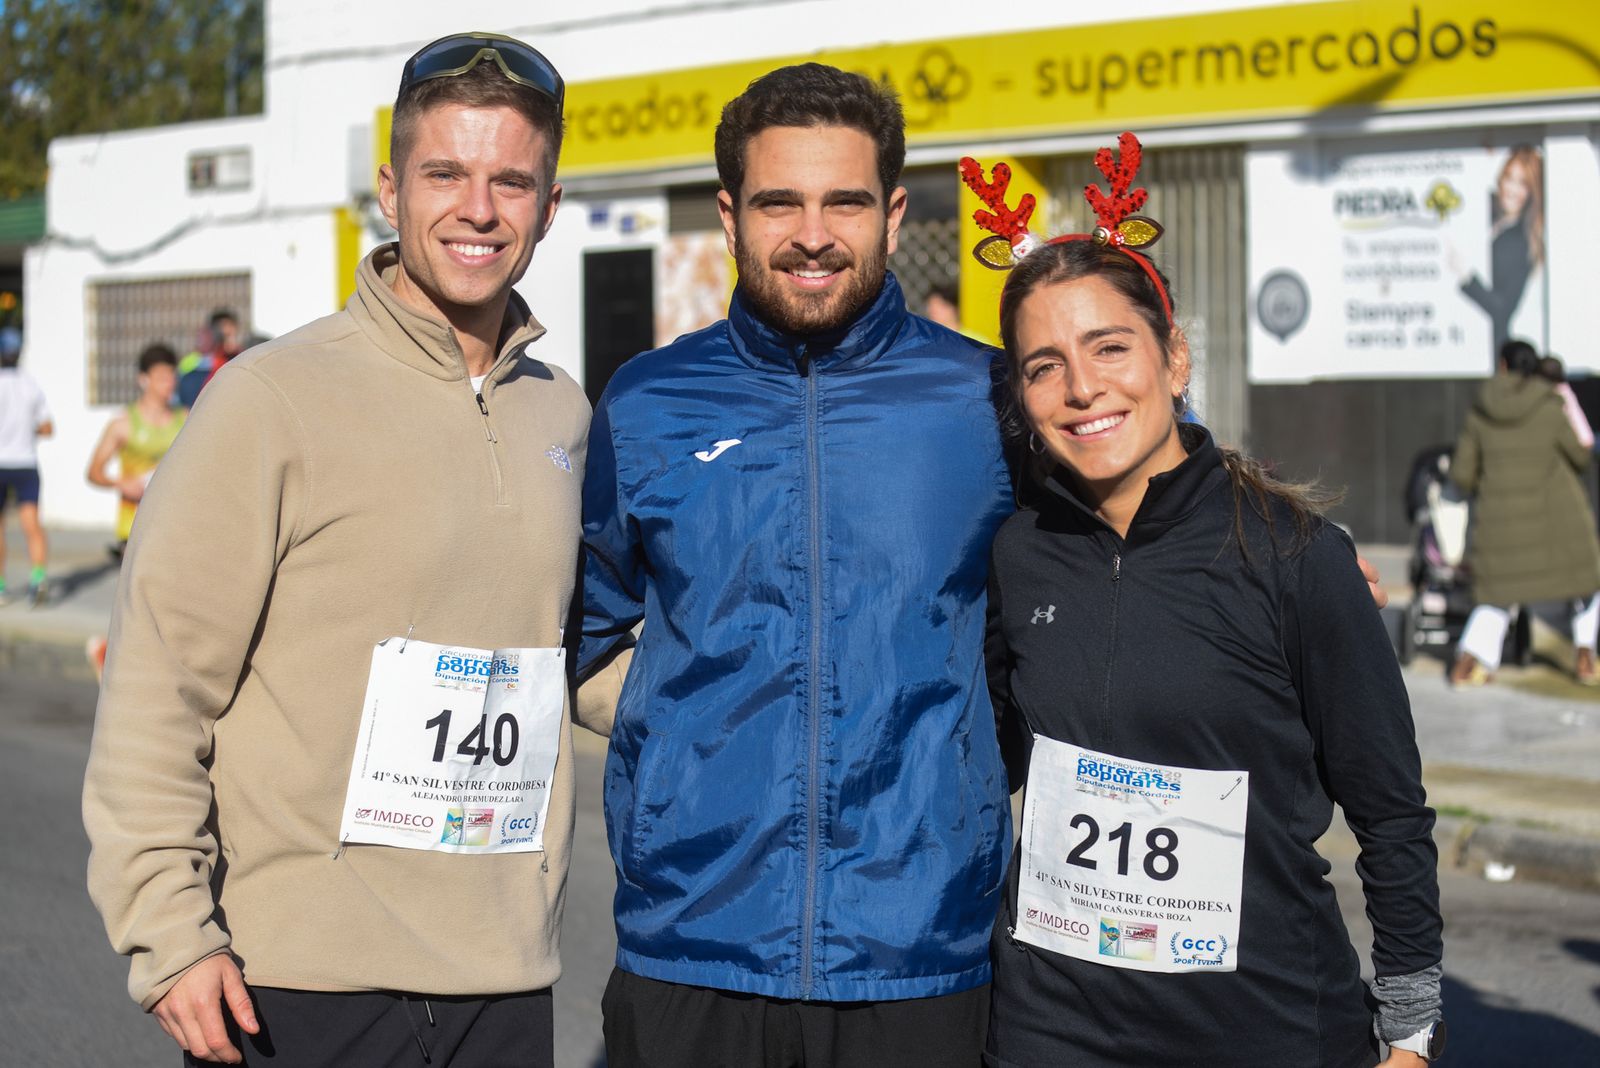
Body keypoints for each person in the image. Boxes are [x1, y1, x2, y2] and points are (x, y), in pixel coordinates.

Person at [83, 32, 587, 1066]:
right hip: (298, 987)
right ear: (391, 189)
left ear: (550, 203)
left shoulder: (565, 417)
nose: (478, 209)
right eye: (445, 174)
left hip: (505, 979)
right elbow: (159, 681)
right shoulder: (270, 400)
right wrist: (170, 937)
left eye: (511, 181)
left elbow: (573, 656)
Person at [576, 63, 1015, 1067]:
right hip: (690, 946)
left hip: (920, 954)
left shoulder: (982, 399)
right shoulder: (646, 402)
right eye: (779, 202)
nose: (812, 234)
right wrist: (674, 767)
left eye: (843, 202)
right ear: (730, 213)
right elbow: (583, 623)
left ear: (894, 215)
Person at [979, 138, 1444, 1068]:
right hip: (1051, 1030)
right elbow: (982, 760)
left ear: (1175, 356)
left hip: (1263, 1026)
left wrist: (1410, 1032)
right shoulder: (1018, 554)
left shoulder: (1294, 556)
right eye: (1044, 366)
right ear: (1022, 397)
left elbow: (1391, 817)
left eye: (1111, 347)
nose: (1082, 388)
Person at [1450, 339, 1600, 687]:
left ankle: (1467, 666)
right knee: (1588, 584)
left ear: (1502, 365)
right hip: (1558, 522)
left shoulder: (1480, 410)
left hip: (1501, 527)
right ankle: (1585, 660)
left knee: (1497, 596)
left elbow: (1462, 474)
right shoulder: (1551, 404)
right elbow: (1579, 457)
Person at [86, 343, 188, 557]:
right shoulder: (123, 423)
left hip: (177, 525)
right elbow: (93, 472)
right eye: (161, 378)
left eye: (171, 377)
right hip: (134, 527)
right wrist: (121, 483)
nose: (168, 383)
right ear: (143, 379)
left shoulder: (186, 419)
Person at [1458, 146, 1543, 363]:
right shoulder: (1487, 214)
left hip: (1493, 349)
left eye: (1522, 183)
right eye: (1509, 178)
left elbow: (1503, 309)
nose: (1512, 189)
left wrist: (1466, 276)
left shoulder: (1521, 243)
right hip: (1464, 338)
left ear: (1532, 191)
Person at [0, 333, 53, 606]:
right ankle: (38, 579)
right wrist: (25, 429)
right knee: (31, 524)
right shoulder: (31, 385)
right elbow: (47, 428)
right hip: (25, 463)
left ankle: (0, 587)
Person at [176, 308, 245, 408]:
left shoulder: (242, 357)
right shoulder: (191, 362)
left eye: (230, 336)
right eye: (223, 337)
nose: (227, 341)